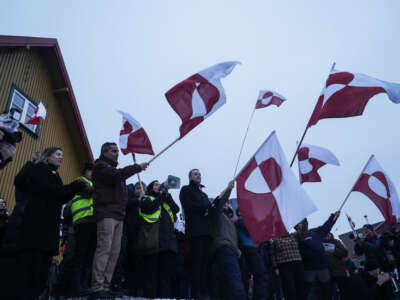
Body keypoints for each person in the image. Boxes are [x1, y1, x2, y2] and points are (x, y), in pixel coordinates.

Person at [19, 147, 87, 300]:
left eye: (62, 155)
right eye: (58, 154)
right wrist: (74, 186)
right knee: (33, 270)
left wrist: (74, 188)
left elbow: (61, 196)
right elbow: (51, 190)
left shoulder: (55, 174)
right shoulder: (40, 169)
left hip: (48, 229)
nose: (61, 158)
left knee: (43, 271)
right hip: (36, 228)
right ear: (48, 156)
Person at [90, 142, 148, 298]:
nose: (117, 153)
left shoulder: (114, 170)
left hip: (118, 215)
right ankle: (97, 287)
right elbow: (117, 175)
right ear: (105, 152)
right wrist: (137, 167)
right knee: (104, 249)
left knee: (114, 252)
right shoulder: (100, 166)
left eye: (117, 150)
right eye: (114, 151)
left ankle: (105, 286)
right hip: (106, 213)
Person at [209, 180, 247, 300]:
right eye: (224, 204)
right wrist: (229, 189)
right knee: (234, 279)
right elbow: (220, 203)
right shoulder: (217, 214)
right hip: (224, 249)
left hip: (231, 251)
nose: (226, 205)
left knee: (228, 282)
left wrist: (237, 250)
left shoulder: (229, 221)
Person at [179, 168, 213, 300]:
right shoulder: (186, 190)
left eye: (199, 174)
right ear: (190, 177)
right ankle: (196, 294)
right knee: (196, 264)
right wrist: (205, 207)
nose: (198, 175)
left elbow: (209, 209)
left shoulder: (203, 195)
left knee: (205, 265)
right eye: (195, 174)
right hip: (195, 233)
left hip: (206, 233)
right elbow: (188, 206)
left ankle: (204, 292)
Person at [297, 211, 340, 300]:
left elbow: (326, 227)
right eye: (299, 223)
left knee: (328, 291)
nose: (301, 224)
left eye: (303, 222)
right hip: (309, 270)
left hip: (322, 267)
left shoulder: (314, 231)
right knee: (311, 293)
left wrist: (332, 217)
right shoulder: (295, 237)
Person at [71, 162, 96, 295]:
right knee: (80, 254)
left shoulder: (94, 184)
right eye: (91, 171)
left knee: (89, 255)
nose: (93, 174)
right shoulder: (80, 181)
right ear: (85, 171)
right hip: (82, 221)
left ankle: (84, 285)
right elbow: (88, 193)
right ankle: (76, 286)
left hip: (93, 222)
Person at [235, 210, 269, 300]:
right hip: (248, 249)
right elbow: (249, 228)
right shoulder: (240, 221)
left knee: (250, 276)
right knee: (261, 274)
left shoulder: (246, 223)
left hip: (253, 250)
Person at [270, 220, 307, 300]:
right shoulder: (275, 240)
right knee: (289, 288)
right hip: (284, 265)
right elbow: (272, 254)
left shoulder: (294, 235)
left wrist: (304, 221)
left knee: (301, 286)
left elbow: (303, 232)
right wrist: (275, 267)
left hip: (297, 263)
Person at [322, 232, 351, 300]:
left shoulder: (336, 242)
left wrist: (333, 249)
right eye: (325, 234)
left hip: (340, 272)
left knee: (345, 292)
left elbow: (344, 252)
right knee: (332, 294)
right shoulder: (320, 244)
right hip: (328, 274)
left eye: (328, 233)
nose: (326, 235)